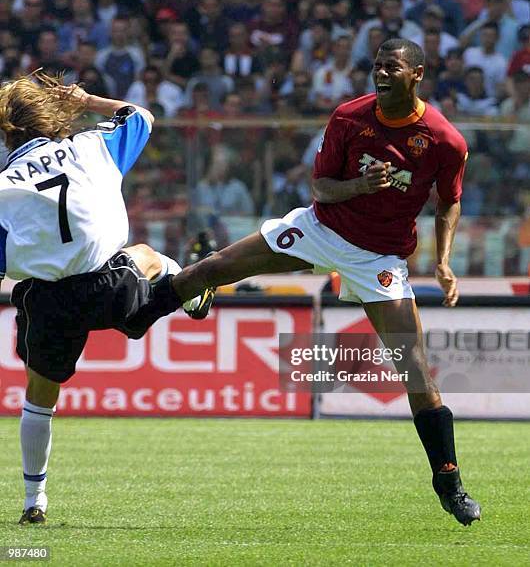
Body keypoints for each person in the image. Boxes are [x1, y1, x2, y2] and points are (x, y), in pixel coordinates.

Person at [170, 38, 482, 527]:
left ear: (417, 74)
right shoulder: (349, 117)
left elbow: (448, 202)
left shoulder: (444, 140)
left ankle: (449, 482)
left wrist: (443, 262)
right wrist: (360, 185)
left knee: (417, 373)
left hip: (378, 257)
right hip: (321, 230)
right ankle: (137, 307)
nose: (380, 74)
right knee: (211, 267)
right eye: (377, 66)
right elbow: (320, 187)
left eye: (392, 68)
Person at [0, 73, 212, 525]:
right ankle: (179, 280)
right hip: (110, 285)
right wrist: (88, 99)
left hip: (48, 300)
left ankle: (33, 500)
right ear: (55, 117)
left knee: (40, 400)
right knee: (146, 256)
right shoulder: (91, 145)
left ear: (7, 132)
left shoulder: (3, 187)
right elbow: (142, 116)